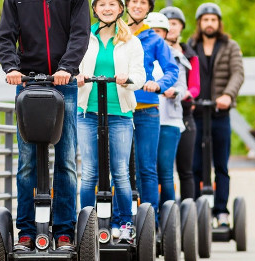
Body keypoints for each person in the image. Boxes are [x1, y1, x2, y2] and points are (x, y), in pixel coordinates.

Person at [0, 0, 90, 251]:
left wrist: (67, 67)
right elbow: (5, 36)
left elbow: (80, 34)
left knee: (66, 159)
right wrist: (11, 67)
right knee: (27, 161)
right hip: (27, 82)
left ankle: (64, 232)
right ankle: (26, 232)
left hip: (64, 83)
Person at [76, 0, 146, 243]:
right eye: (102, 4)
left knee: (120, 172)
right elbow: (72, 65)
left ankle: (124, 224)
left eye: (112, 4)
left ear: (120, 10)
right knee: (89, 172)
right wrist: (77, 76)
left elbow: (140, 76)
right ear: (95, 9)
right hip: (87, 112)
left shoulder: (131, 41)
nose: (107, 8)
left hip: (120, 113)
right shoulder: (83, 37)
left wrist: (127, 79)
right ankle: (87, 226)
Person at [189, 2, 244, 227]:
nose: (209, 23)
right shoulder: (191, 46)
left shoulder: (230, 46)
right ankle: (194, 210)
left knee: (221, 165)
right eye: (205, 20)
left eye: (213, 19)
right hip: (196, 113)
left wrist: (228, 96)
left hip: (220, 114)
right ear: (199, 23)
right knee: (194, 166)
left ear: (218, 23)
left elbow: (238, 73)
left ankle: (221, 211)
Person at [124, 0, 179, 227]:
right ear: (125, 5)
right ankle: (122, 222)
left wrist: (158, 85)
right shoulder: (116, 33)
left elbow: (172, 70)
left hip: (147, 109)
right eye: (134, 1)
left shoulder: (154, 39)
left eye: (143, 2)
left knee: (146, 167)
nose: (138, 5)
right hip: (120, 109)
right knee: (121, 169)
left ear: (148, 8)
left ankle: (150, 223)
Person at [145, 12, 189, 207]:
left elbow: (183, 86)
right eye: (151, 31)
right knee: (146, 170)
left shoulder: (176, 56)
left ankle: (168, 217)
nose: (155, 34)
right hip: (145, 116)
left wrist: (172, 91)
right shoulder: (139, 54)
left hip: (168, 120)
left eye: (159, 31)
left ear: (165, 33)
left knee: (165, 170)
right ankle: (148, 216)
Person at [160, 6, 201, 201]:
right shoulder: (156, 51)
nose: (171, 28)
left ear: (181, 28)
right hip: (160, 114)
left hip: (183, 113)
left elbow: (195, 86)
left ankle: (187, 212)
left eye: (174, 24)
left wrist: (181, 94)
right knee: (161, 168)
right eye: (167, 24)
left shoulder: (190, 55)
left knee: (185, 169)